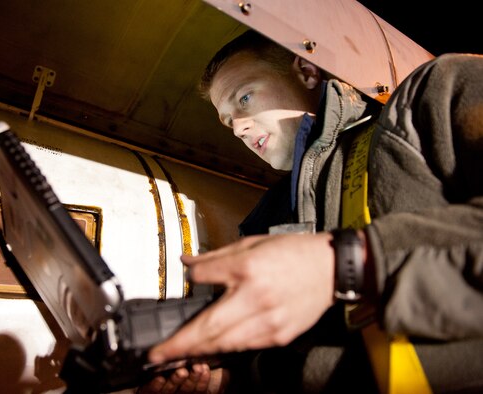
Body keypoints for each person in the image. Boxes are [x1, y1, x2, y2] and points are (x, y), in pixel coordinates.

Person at [138, 30, 483, 393]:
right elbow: (309, 363)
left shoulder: (430, 97)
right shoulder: (268, 223)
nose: (238, 127)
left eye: (245, 98)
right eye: (227, 122)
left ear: (305, 71)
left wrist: (344, 264)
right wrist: (225, 383)